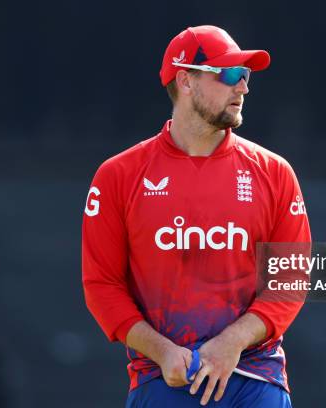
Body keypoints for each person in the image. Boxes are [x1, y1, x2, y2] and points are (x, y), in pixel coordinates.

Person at [82, 25, 311, 407]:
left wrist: (231, 343)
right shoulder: (118, 175)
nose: (243, 88)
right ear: (186, 80)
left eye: (246, 76)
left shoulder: (274, 172)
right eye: (230, 74)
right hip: (163, 379)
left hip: (255, 377)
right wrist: (162, 351)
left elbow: (290, 280)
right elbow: (101, 287)